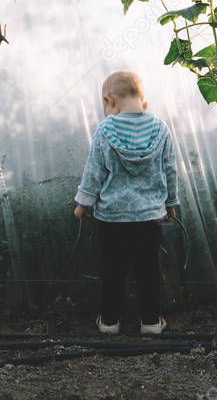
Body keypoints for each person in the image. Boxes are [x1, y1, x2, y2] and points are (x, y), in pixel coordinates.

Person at [73, 70, 180, 335]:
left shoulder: (106, 129)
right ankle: (152, 322)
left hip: (112, 219)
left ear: (109, 100)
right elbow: (170, 170)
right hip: (148, 218)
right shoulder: (160, 128)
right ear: (144, 103)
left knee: (113, 271)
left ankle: (109, 322)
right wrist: (171, 202)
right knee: (149, 272)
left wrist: (83, 204)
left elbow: (94, 171)